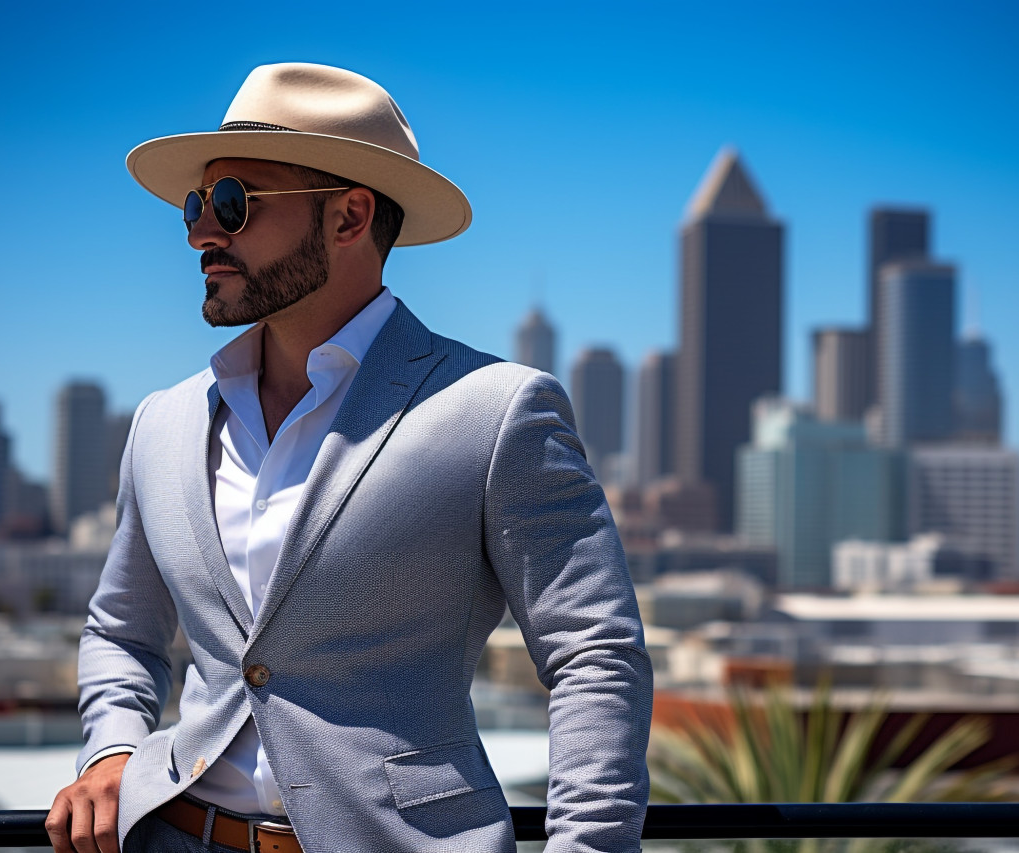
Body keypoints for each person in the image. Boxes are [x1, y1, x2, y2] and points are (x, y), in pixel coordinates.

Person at [46, 62, 652, 853]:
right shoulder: (164, 423)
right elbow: (122, 631)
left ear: (348, 216)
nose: (199, 232)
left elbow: (595, 655)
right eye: (197, 204)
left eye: (232, 204)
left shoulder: (495, 410)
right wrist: (115, 748)